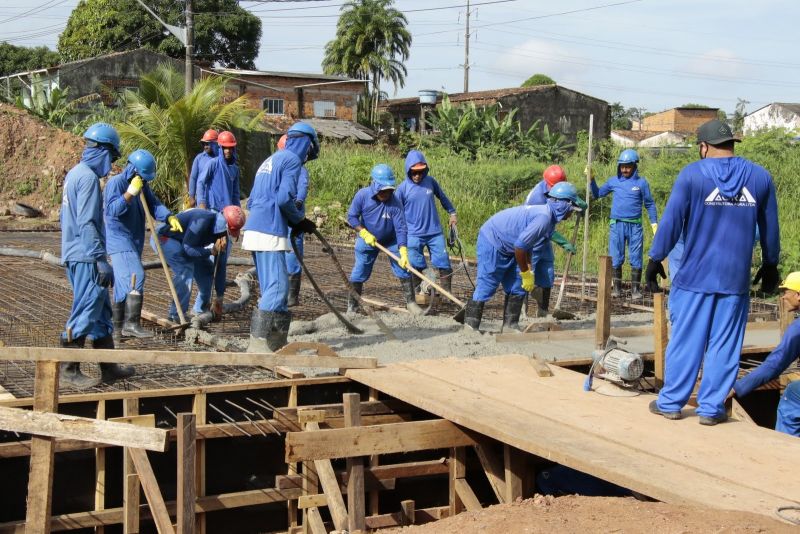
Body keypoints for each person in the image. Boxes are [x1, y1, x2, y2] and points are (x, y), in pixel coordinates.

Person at [646, 119, 780, 425]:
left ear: (703, 147)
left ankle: (670, 403)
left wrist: (656, 259)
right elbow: (771, 228)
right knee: (724, 343)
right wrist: (770, 264)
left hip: (694, 276)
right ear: (732, 144)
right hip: (734, 279)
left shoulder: (692, 175)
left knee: (686, 339)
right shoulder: (760, 177)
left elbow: (672, 221)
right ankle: (710, 409)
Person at [59, 122, 135, 388]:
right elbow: (88, 222)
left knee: (101, 313)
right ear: (103, 151)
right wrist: (100, 260)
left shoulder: (74, 173)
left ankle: (109, 368)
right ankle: (68, 370)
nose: (111, 164)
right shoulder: (89, 178)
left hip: (76, 251)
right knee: (86, 309)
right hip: (86, 256)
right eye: (112, 157)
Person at [463, 182, 585, 332]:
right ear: (564, 205)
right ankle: (470, 326)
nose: (571, 214)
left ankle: (510, 325)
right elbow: (520, 247)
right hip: (493, 240)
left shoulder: (549, 217)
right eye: (571, 210)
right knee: (488, 282)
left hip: (512, 245)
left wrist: (528, 269)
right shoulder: (544, 218)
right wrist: (526, 272)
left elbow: (527, 245)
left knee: (518, 284)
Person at [243, 122, 319, 352]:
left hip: (256, 227)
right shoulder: (292, 160)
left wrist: (290, 221)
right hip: (269, 230)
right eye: (309, 149)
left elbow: (255, 198)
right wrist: (299, 220)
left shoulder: (271, 160)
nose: (307, 155)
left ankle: (277, 342)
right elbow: (285, 199)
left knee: (271, 289)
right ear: (305, 143)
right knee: (278, 288)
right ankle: (257, 344)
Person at [104, 149, 182, 341]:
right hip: (118, 239)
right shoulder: (116, 183)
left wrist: (168, 216)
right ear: (133, 170)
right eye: (142, 177)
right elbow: (112, 211)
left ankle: (116, 331)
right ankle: (131, 325)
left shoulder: (143, 186)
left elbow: (154, 205)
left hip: (133, 240)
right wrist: (130, 193)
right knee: (135, 276)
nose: (145, 181)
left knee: (124, 285)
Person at [731, 272, 800, 436]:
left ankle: (784, 449)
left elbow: (774, 365)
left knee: (791, 394)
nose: (782, 297)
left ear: (798, 295)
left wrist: (738, 387)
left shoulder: (797, 330)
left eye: (786, 292)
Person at [347, 164, 420, 315]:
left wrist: (403, 250)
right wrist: (364, 233)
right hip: (368, 239)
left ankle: (411, 303)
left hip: (391, 241)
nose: (386, 193)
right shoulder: (362, 196)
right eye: (383, 190)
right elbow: (352, 217)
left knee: (404, 268)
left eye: (389, 190)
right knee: (359, 271)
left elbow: (401, 228)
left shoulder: (395, 202)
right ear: (374, 185)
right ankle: (352, 307)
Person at [153, 206, 245, 322]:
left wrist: (219, 298)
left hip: (186, 243)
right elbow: (187, 249)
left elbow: (220, 265)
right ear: (225, 226)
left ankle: (200, 311)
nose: (227, 237)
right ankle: (176, 315)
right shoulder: (202, 220)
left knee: (207, 270)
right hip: (165, 238)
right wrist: (210, 251)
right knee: (185, 267)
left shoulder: (222, 234)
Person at [590, 149, 658, 299]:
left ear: (634, 166)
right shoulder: (614, 181)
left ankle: (635, 290)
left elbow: (650, 204)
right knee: (616, 256)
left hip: (635, 226)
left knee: (636, 257)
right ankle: (617, 289)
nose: (625, 169)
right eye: (622, 166)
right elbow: (597, 194)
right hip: (617, 225)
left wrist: (654, 224)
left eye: (628, 166)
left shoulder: (641, 183)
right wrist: (592, 180)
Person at [395, 150, 457, 306]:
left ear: (425, 170)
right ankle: (417, 295)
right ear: (408, 171)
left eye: (420, 172)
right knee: (415, 265)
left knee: (443, 262)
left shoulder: (430, 182)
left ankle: (447, 293)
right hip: (414, 234)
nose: (417, 176)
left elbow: (442, 198)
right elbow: (395, 212)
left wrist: (452, 213)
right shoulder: (402, 189)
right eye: (414, 173)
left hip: (434, 232)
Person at [195, 130, 241, 316]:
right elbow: (200, 182)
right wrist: (202, 207)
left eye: (230, 149)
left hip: (227, 218)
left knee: (222, 261)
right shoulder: (213, 164)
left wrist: (237, 224)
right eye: (224, 149)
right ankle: (200, 306)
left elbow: (236, 195)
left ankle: (218, 301)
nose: (227, 152)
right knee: (209, 258)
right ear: (219, 148)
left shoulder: (234, 169)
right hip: (213, 215)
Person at [524, 164, 578, 316]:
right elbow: (543, 227)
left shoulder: (557, 190)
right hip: (532, 240)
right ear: (548, 183)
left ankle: (543, 313)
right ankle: (522, 312)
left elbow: (568, 195)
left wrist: (578, 203)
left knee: (547, 273)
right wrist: (563, 242)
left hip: (545, 240)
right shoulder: (538, 198)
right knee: (528, 275)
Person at [276, 134, 311, 307]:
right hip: (282, 218)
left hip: (294, 218)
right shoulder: (282, 168)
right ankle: (282, 292)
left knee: (293, 254)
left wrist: (296, 204)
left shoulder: (300, 169)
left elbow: (302, 188)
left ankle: (292, 296)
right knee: (282, 254)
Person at [187, 129, 219, 208]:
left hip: (217, 201)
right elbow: (193, 178)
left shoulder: (220, 159)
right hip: (202, 200)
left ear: (215, 144)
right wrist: (191, 197)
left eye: (208, 144)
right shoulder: (199, 158)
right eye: (204, 144)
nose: (205, 146)